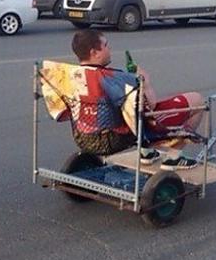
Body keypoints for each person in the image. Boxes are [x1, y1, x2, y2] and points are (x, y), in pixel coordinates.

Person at [69, 30, 203, 170]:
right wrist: (145, 83)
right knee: (197, 100)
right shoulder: (115, 79)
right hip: (119, 137)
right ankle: (174, 158)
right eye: (106, 45)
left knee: (133, 111)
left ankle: (146, 153)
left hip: (85, 137)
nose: (110, 49)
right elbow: (150, 105)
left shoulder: (69, 78)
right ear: (94, 53)